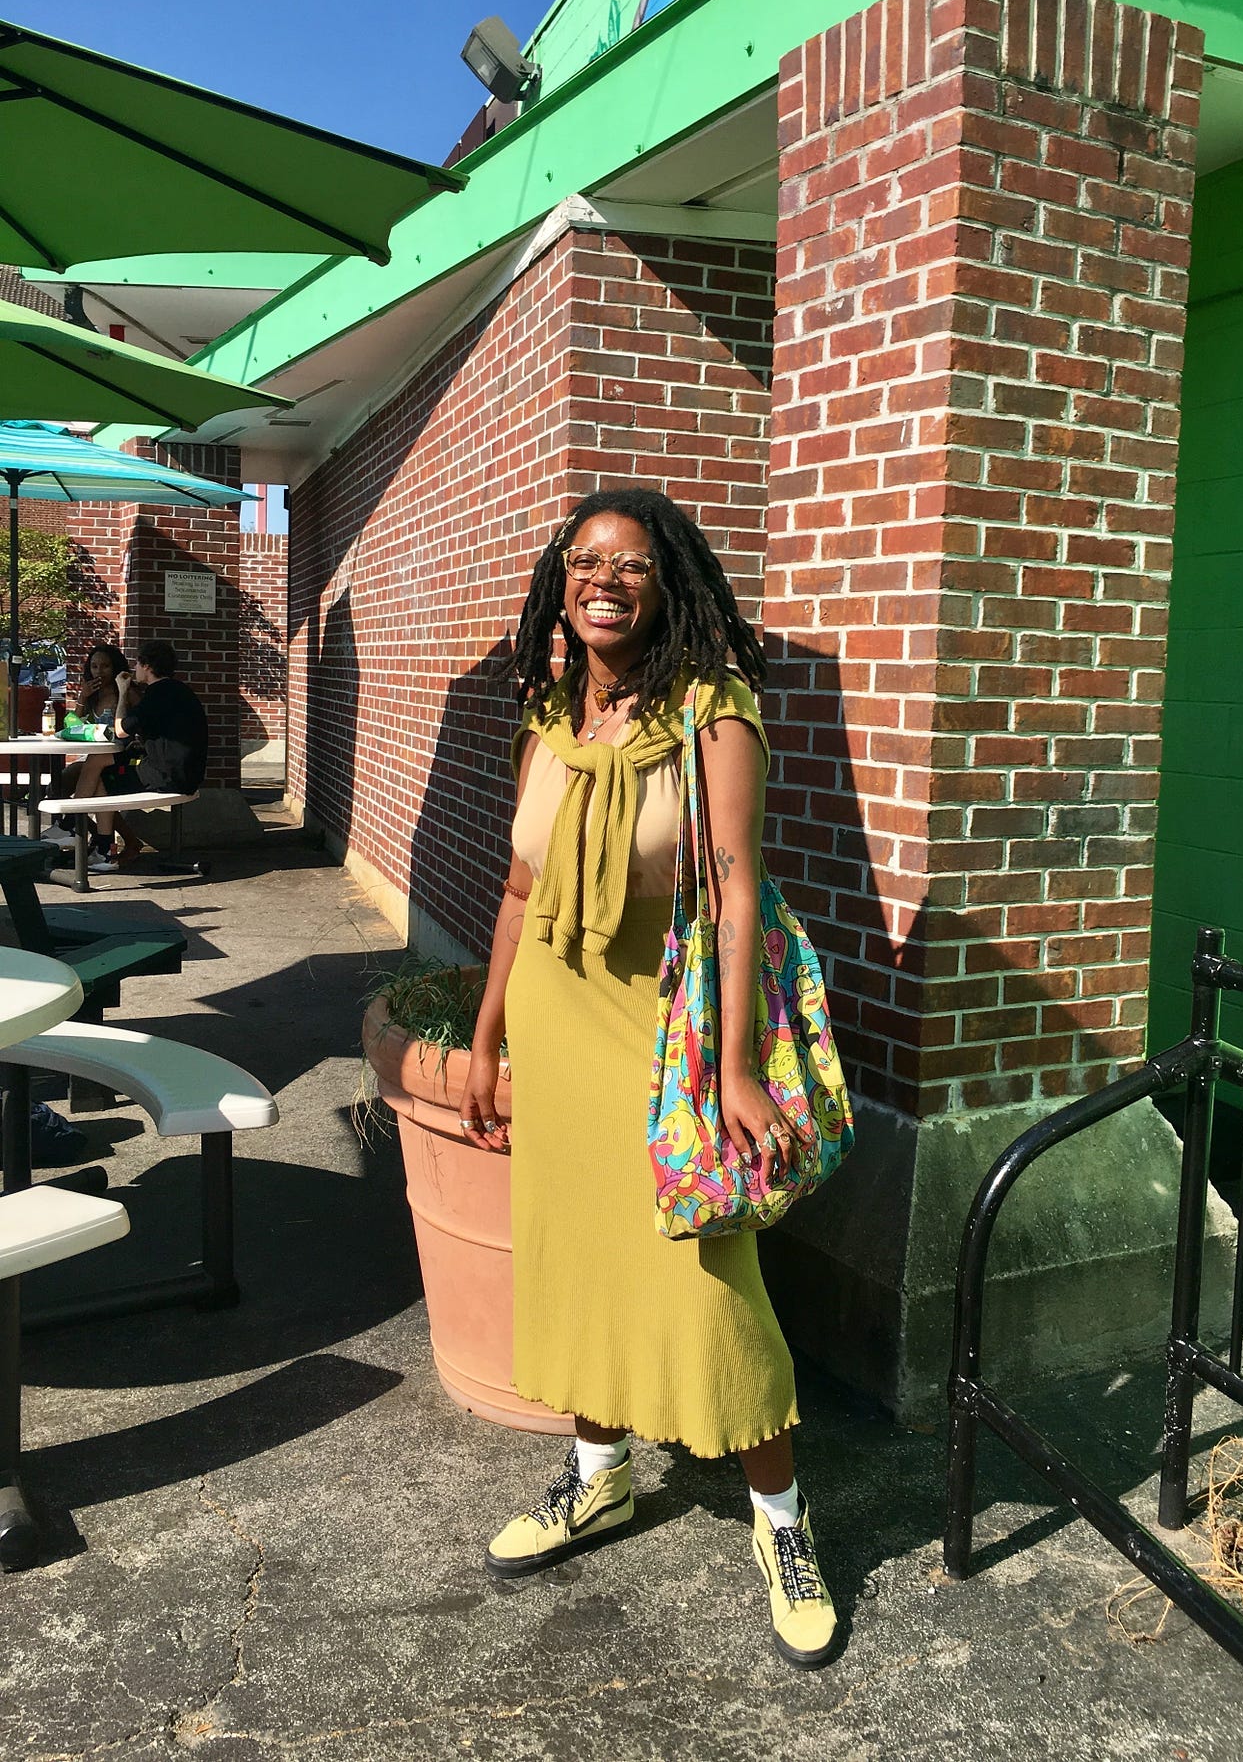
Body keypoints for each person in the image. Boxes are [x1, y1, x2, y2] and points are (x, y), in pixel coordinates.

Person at [460, 489, 838, 1669]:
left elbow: (731, 889)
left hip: (665, 1040)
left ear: (666, 579)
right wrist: (484, 1038)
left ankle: (782, 1524)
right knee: (574, 1261)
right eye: (584, 561)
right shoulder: (547, 713)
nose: (604, 578)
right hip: (556, 1034)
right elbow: (521, 889)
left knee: (710, 1285)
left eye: (629, 562)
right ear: (559, 584)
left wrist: (732, 1070)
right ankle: (600, 1477)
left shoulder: (709, 713)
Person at [71, 639, 208, 871]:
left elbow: (121, 729)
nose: (135, 668)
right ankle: (85, 836)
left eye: (138, 663)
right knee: (98, 763)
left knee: (102, 776)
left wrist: (123, 692)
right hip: (186, 771)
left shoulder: (155, 694)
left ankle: (88, 838)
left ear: (146, 666)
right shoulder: (180, 690)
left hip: (168, 775)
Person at [44, 643, 132, 836]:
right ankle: (79, 831)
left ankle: (71, 828)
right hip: (93, 755)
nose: (99, 671)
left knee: (97, 789)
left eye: (105, 666)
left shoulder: (125, 692)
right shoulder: (92, 693)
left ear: (115, 667)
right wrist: (82, 697)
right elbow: (73, 726)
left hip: (119, 755)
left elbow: (134, 723)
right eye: (94, 666)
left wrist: (123, 692)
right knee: (57, 787)